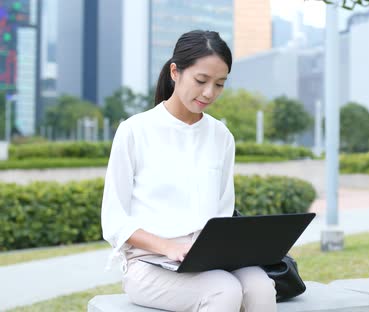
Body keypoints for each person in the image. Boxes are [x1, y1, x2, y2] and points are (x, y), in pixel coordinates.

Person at [101, 30, 277, 312]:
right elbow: (114, 220)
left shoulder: (221, 136)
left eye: (219, 84)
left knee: (261, 287)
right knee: (224, 291)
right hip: (149, 262)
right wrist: (168, 247)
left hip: (208, 258)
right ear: (175, 72)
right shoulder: (135, 131)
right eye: (201, 80)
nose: (209, 93)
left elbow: (222, 212)